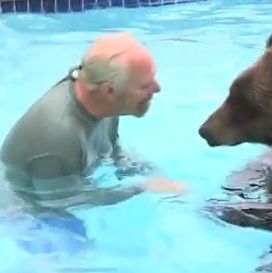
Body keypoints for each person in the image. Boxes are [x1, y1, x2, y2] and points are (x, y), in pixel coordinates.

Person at [0, 32, 186, 210]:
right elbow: (64, 202)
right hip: (23, 208)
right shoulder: (57, 135)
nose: (157, 88)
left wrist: (154, 175)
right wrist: (141, 189)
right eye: (146, 85)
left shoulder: (105, 101)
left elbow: (115, 152)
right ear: (109, 91)